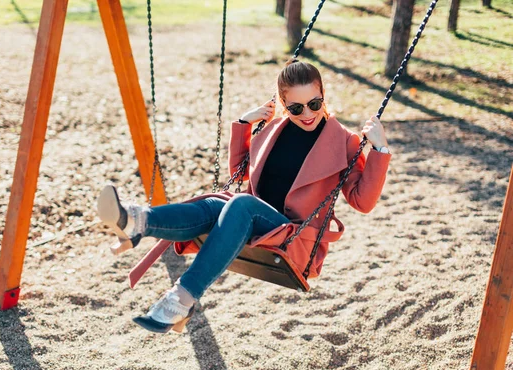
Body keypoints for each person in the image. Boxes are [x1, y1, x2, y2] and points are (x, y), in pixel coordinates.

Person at [97, 59, 391, 334]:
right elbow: (241, 172)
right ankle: (136, 220)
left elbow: (362, 202)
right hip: (254, 220)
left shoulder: (344, 141)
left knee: (240, 204)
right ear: (283, 103)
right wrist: (244, 124)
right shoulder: (274, 128)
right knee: (213, 206)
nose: (308, 114)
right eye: (297, 108)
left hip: (292, 238)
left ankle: (181, 299)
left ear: (323, 96)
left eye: (314, 103)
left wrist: (380, 151)